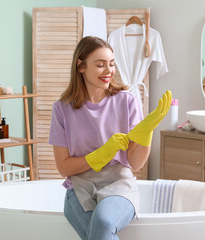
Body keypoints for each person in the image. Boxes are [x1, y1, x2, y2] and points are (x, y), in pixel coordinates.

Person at [49, 36, 171, 240]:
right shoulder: (62, 108)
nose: (109, 71)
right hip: (79, 188)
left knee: (104, 222)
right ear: (81, 66)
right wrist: (101, 154)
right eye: (100, 65)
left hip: (119, 184)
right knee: (99, 233)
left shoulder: (127, 101)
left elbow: (136, 163)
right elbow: (64, 168)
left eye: (112, 64)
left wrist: (146, 131)